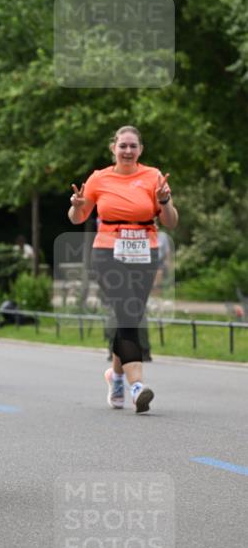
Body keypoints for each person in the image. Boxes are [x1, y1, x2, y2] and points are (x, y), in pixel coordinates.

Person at [68, 124, 178, 412]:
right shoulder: (98, 179)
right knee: (128, 313)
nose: (127, 151)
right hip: (108, 253)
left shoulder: (154, 177)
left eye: (133, 146)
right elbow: (78, 218)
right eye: (122, 145)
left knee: (129, 315)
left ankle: (115, 375)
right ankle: (137, 385)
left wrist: (165, 201)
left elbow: (171, 222)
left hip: (144, 253)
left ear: (140, 149)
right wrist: (77, 205)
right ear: (113, 148)